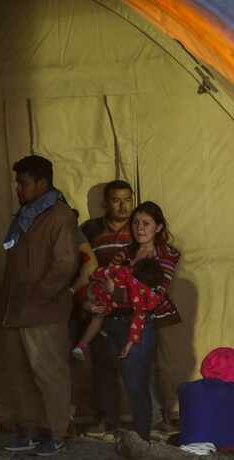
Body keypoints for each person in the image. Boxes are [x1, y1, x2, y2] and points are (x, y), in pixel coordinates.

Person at [0, 156, 78, 456]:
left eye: (23, 183)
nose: (18, 189)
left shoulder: (58, 216)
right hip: (17, 309)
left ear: (42, 183)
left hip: (43, 311)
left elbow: (65, 264)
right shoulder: (25, 215)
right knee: (20, 374)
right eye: (18, 183)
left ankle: (56, 431)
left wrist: (40, 296)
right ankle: (29, 429)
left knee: (49, 373)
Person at [96, 201, 181, 441]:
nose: (139, 228)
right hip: (113, 319)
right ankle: (134, 432)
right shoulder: (125, 253)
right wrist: (103, 296)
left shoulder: (167, 254)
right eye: (135, 223)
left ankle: (143, 435)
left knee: (136, 382)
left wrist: (116, 292)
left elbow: (154, 295)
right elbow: (105, 280)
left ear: (158, 227)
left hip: (139, 323)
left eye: (146, 223)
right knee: (120, 378)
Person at [80, 179, 135, 434]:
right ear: (105, 203)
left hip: (131, 307)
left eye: (127, 199)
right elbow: (82, 266)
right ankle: (104, 418)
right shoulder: (91, 230)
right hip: (101, 308)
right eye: (116, 200)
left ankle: (133, 419)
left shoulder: (140, 227)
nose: (123, 206)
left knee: (134, 364)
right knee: (102, 366)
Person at [72, 258, 165, 360]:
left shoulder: (144, 298)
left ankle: (82, 345)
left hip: (106, 306)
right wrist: (95, 279)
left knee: (98, 317)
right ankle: (82, 345)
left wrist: (129, 344)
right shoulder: (123, 272)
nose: (138, 291)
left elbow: (138, 320)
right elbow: (101, 272)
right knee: (96, 317)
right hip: (95, 293)